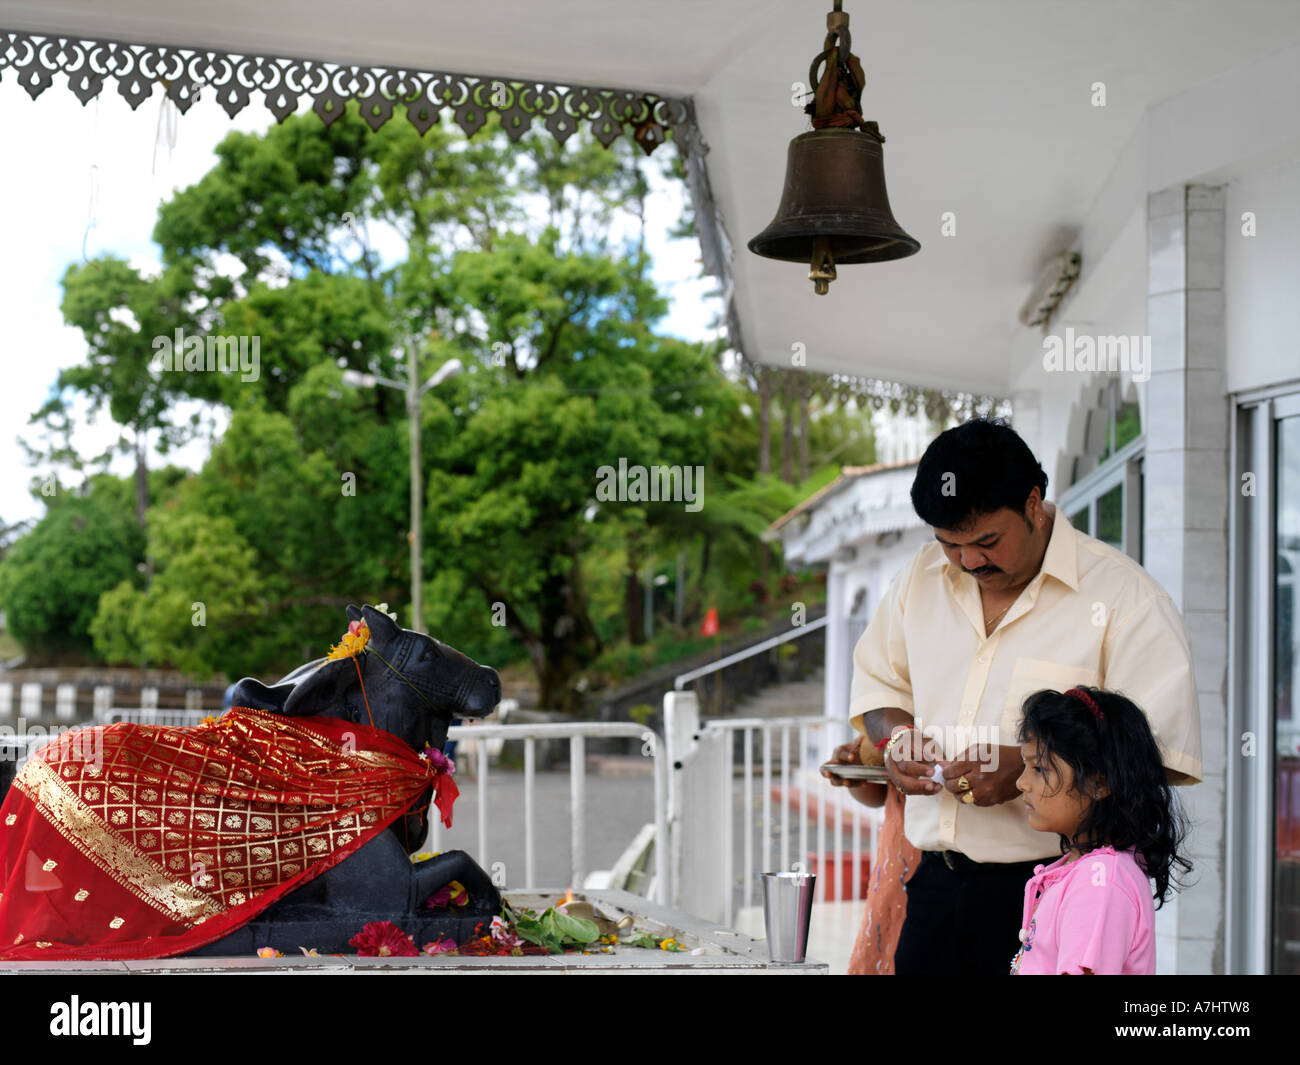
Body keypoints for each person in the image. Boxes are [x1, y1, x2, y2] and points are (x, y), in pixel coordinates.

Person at [822, 417, 1201, 975]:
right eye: (949, 545)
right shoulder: (918, 581)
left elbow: (1158, 757)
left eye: (987, 542)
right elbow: (880, 689)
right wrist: (898, 741)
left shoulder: (1126, 599)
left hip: (1058, 897)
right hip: (931, 886)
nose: (970, 562)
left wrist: (1029, 764)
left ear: (1033, 503)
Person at [1010, 686, 1191, 975]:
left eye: (1040, 769)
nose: (1021, 783)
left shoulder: (1099, 884)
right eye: (1025, 765)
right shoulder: (1087, 872)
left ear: (1099, 784)